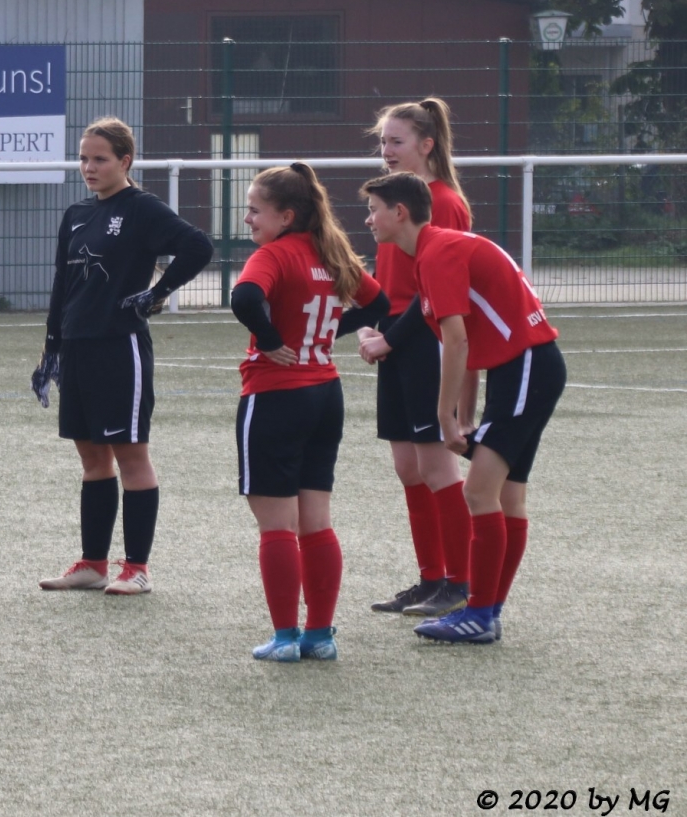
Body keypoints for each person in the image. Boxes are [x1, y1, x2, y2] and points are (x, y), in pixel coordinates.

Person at [358, 173, 563, 644]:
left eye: (373, 210)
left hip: (526, 367)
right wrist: (465, 416)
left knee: (479, 492)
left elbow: (456, 342)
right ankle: (486, 612)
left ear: (399, 213)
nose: (368, 220)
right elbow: (466, 339)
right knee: (507, 498)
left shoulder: (437, 254)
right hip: (525, 368)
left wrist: (446, 416)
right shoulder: (435, 251)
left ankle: (479, 613)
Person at [34, 117, 213, 595]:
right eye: (83, 158)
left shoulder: (142, 208)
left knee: (131, 456)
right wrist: (52, 345)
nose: (88, 168)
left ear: (125, 161)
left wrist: (158, 292)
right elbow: (62, 283)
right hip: (77, 348)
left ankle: (137, 569)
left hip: (120, 346)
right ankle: (93, 565)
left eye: (100, 159)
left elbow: (198, 247)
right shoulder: (76, 213)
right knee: (93, 459)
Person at [229, 164, 388, 662]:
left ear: (287, 216)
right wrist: (328, 332)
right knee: (316, 522)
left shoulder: (274, 255)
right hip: (325, 395)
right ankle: (320, 635)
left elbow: (244, 297)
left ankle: (284, 638)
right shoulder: (329, 253)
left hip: (276, 395)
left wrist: (271, 340)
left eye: (255, 210)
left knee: (277, 526)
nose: (248, 218)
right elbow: (378, 302)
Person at [361, 99, 479, 619]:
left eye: (397, 141)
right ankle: (432, 579)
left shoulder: (442, 202)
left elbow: (437, 294)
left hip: (424, 341)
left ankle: (461, 581)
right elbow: (390, 282)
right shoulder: (393, 203)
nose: (386, 150)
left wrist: (390, 338)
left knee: (436, 466)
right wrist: (371, 321)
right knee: (409, 468)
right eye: (382, 141)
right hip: (397, 338)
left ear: (426, 145)